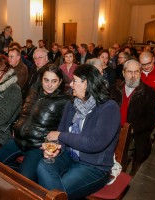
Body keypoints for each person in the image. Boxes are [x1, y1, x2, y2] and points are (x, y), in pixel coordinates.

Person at [37, 64, 121, 200]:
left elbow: (94, 143)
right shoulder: (72, 104)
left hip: (93, 166)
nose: (71, 84)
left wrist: (60, 136)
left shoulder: (109, 108)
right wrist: (55, 147)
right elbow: (62, 132)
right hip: (69, 155)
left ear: (86, 84)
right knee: (43, 166)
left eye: (74, 80)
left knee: (56, 191)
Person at [0, 64, 70, 182]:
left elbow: (66, 127)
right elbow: (23, 112)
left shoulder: (64, 101)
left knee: (24, 183)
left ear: (60, 82)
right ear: (41, 79)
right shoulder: (33, 92)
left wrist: (53, 143)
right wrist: (16, 126)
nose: (49, 85)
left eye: (54, 81)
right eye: (46, 80)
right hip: (19, 140)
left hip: (38, 146)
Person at [110, 59, 155, 175]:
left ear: (140, 73)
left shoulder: (149, 93)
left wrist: (132, 129)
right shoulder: (115, 89)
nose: (133, 76)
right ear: (123, 73)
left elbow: (151, 121)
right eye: (129, 72)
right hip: (112, 131)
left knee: (124, 162)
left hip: (134, 135)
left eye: (136, 72)